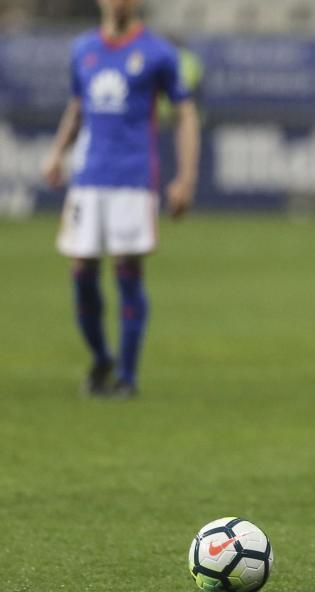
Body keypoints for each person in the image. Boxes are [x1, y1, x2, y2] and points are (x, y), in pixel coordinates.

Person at [42, 0, 200, 398]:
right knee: (81, 272)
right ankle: (101, 358)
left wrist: (186, 177)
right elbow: (79, 106)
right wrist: (57, 152)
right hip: (89, 178)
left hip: (132, 179)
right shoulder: (83, 49)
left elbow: (185, 113)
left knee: (128, 271)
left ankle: (127, 378)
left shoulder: (158, 53)